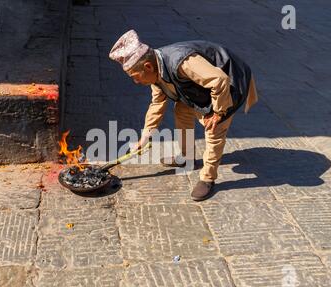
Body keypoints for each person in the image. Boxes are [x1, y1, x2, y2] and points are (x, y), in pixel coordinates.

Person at [109, 30, 258, 201]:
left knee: (214, 127)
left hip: (229, 81)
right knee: (181, 110)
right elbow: (157, 104)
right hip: (202, 88)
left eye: (135, 77)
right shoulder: (156, 71)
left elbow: (219, 80)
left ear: (147, 67)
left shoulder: (181, 62)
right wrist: (144, 138)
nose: (136, 82)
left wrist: (218, 112)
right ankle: (187, 158)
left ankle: (208, 178)